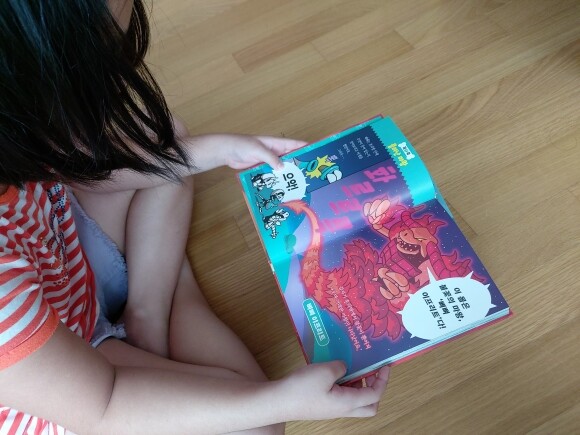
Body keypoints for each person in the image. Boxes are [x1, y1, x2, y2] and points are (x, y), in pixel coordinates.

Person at [0, 1, 390, 433]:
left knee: (165, 140)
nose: (109, 96)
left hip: (62, 252)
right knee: (259, 428)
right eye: (94, 79)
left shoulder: (18, 132)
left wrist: (216, 150)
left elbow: (82, 169)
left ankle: (148, 312)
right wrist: (283, 400)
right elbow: (105, 404)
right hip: (73, 372)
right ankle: (170, 290)